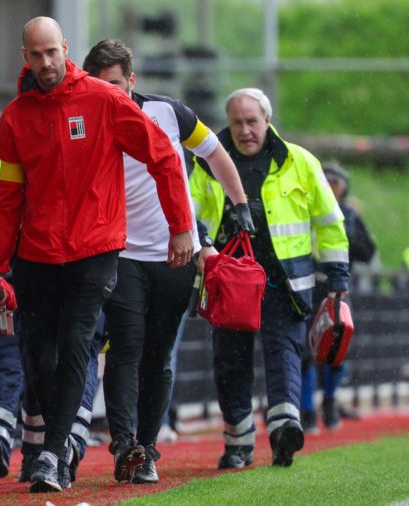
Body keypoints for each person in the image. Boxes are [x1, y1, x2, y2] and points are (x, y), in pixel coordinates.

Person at [0, 17, 194, 494]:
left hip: (95, 248)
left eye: (51, 53)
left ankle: (52, 456)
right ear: (25, 58)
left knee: (77, 344)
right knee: (39, 358)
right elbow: (9, 196)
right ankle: (56, 448)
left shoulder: (104, 100)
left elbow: (163, 155)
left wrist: (181, 227)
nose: (45, 63)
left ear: (65, 50)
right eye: (35, 56)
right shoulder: (17, 117)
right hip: (37, 254)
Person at [82, 38, 252, 484]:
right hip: (120, 255)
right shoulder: (83, 121)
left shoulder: (168, 112)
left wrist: (240, 204)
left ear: (132, 81)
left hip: (176, 252)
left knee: (158, 358)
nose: (110, 93)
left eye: (117, 84)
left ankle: (148, 448)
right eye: (100, 85)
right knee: (125, 349)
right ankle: (124, 444)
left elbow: (215, 152)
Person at [189, 88, 350, 469]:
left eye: (252, 122)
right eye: (237, 123)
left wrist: (338, 276)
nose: (245, 130)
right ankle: (238, 442)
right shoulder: (207, 162)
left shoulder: (300, 162)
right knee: (230, 361)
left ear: (267, 121)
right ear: (228, 124)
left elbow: (329, 222)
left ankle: (284, 430)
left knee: (285, 355)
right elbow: (187, 209)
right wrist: (202, 246)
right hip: (229, 283)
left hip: (285, 283)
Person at [0, 161, 102, 482]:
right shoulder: (72, 167)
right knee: (75, 359)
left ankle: (6, 436)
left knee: (17, 361)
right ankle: (68, 442)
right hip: (55, 279)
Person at [300, 162, 376, 432]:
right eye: (326, 180)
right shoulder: (304, 210)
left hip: (338, 289)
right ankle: (307, 411)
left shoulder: (349, 215)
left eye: (336, 182)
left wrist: (350, 230)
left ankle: (330, 402)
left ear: (344, 188)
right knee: (304, 351)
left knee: (337, 348)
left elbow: (368, 253)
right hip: (306, 287)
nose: (331, 186)